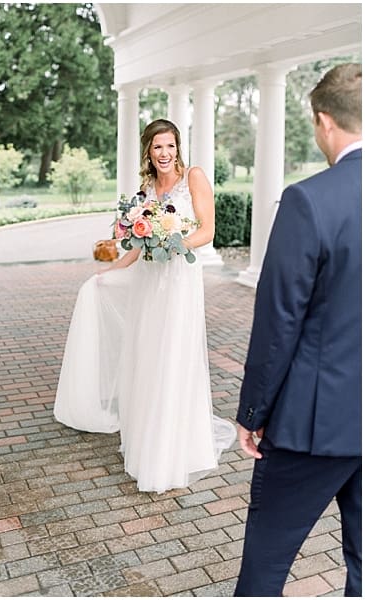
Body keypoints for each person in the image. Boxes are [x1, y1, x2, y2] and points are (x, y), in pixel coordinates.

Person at [52, 118, 235, 493]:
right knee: (148, 355)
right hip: (150, 282)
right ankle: (147, 437)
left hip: (180, 282)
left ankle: (173, 449)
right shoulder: (148, 187)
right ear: (148, 152)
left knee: (174, 354)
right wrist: (109, 273)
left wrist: (172, 243)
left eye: (170, 146)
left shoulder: (194, 177)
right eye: (157, 147)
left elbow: (207, 231)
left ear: (177, 148)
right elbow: (138, 244)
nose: (164, 154)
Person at [234, 63, 362, 597]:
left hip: (316, 424)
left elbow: (278, 321)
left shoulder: (309, 200)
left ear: (324, 121)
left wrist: (252, 414)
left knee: (265, 565)